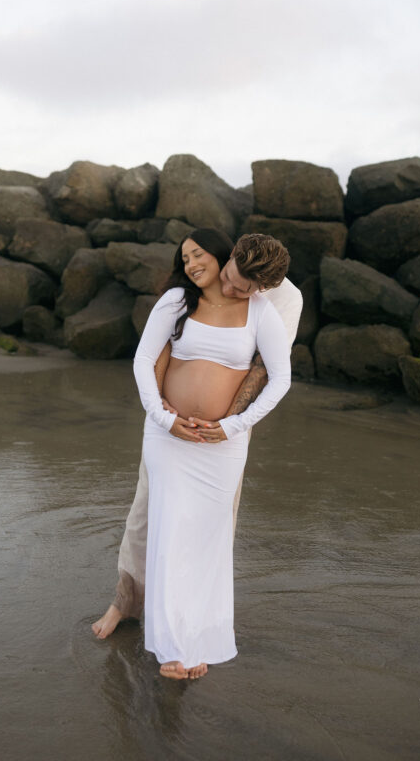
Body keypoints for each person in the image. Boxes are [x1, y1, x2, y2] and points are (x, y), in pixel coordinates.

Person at [95, 230, 300, 679]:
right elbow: (145, 360)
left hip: (221, 446)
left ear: (260, 287)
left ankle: (200, 642)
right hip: (169, 438)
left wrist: (231, 426)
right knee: (165, 535)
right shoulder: (177, 301)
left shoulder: (270, 307)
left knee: (207, 544)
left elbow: (276, 378)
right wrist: (164, 417)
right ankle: (168, 645)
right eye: (227, 275)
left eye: (241, 286)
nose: (229, 287)